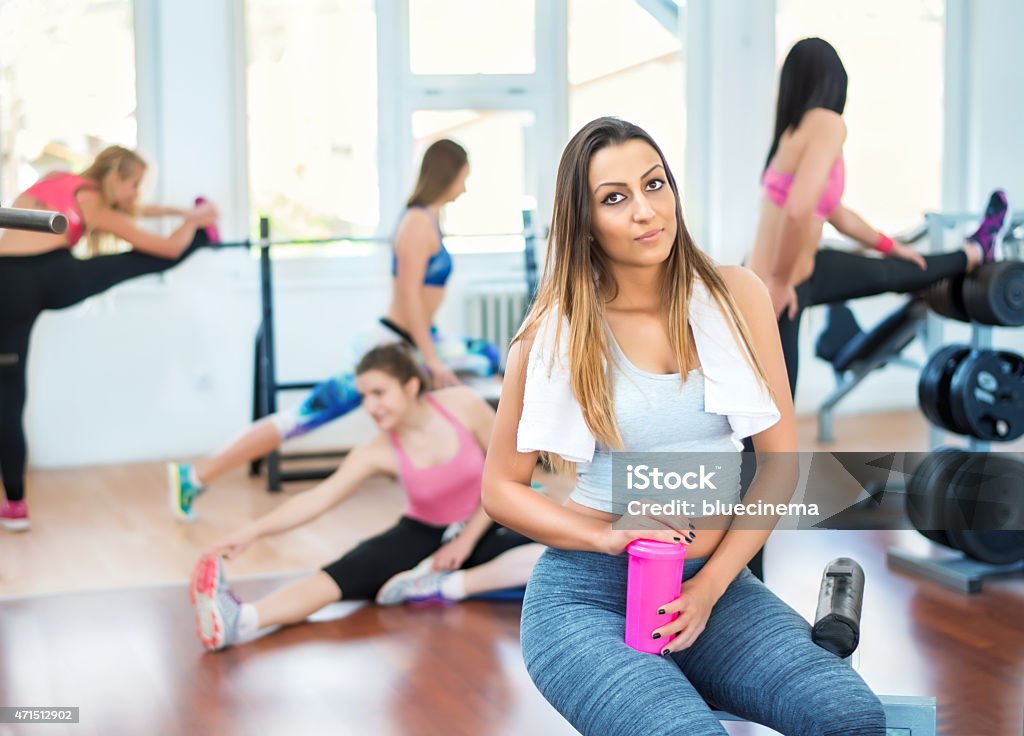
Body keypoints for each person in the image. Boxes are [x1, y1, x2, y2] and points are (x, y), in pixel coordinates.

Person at [481, 117, 886, 735]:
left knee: (851, 717)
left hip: (713, 585)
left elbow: (778, 465)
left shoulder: (737, 296)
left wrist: (711, 588)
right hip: (586, 600)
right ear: (584, 221)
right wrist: (610, 535)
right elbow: (500, 490)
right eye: (615, 198)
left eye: (655, 184)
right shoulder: (552, 333)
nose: (646, 211)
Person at [168, 139, 501, 520]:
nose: (466, 186)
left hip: (419, 342)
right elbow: (409, 296)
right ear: (448, 173)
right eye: (464, 177)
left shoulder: (430, 219)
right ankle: (194, 475)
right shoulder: (416, 222)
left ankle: (503, 481)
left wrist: (432, 350)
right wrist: (429, 358)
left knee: (488, 359)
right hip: (390, 346)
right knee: (302, 419)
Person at [189, 343, 542, 652]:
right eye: (364, 397)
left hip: (491, 519)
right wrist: (251, 532)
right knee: (341, 574)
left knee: (554, 553)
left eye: (379, 393)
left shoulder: (463, 405)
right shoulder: (376, 451)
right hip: (422, 532)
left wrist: (464, 542)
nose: (370, 406)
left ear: (411, 385)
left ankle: (446, 585)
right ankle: (242, 621)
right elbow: (318, 498)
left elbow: (508, 476)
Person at [749, 37, 1011, 397]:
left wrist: (891, 246)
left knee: (895, 270)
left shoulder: (791, 132)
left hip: (789, 273)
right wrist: (779, 281)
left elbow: (834, 212)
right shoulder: (827, 123)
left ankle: (975, 251)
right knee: (772, 417)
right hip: (776, 285)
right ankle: (975, 251)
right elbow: (797, 211)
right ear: (833, 80)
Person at [0, 145, 219, 530]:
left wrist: (183, 212)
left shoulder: (56, 183)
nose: (137, 194)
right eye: (134, 184)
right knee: (145, 258)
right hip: (51, 278)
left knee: (8, 396)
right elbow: (165, 246)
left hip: (6, 285)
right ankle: (204, 237)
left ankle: (14, 504)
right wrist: (193, 225)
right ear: (114, 178)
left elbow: (131, 212)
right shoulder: (93, 201)